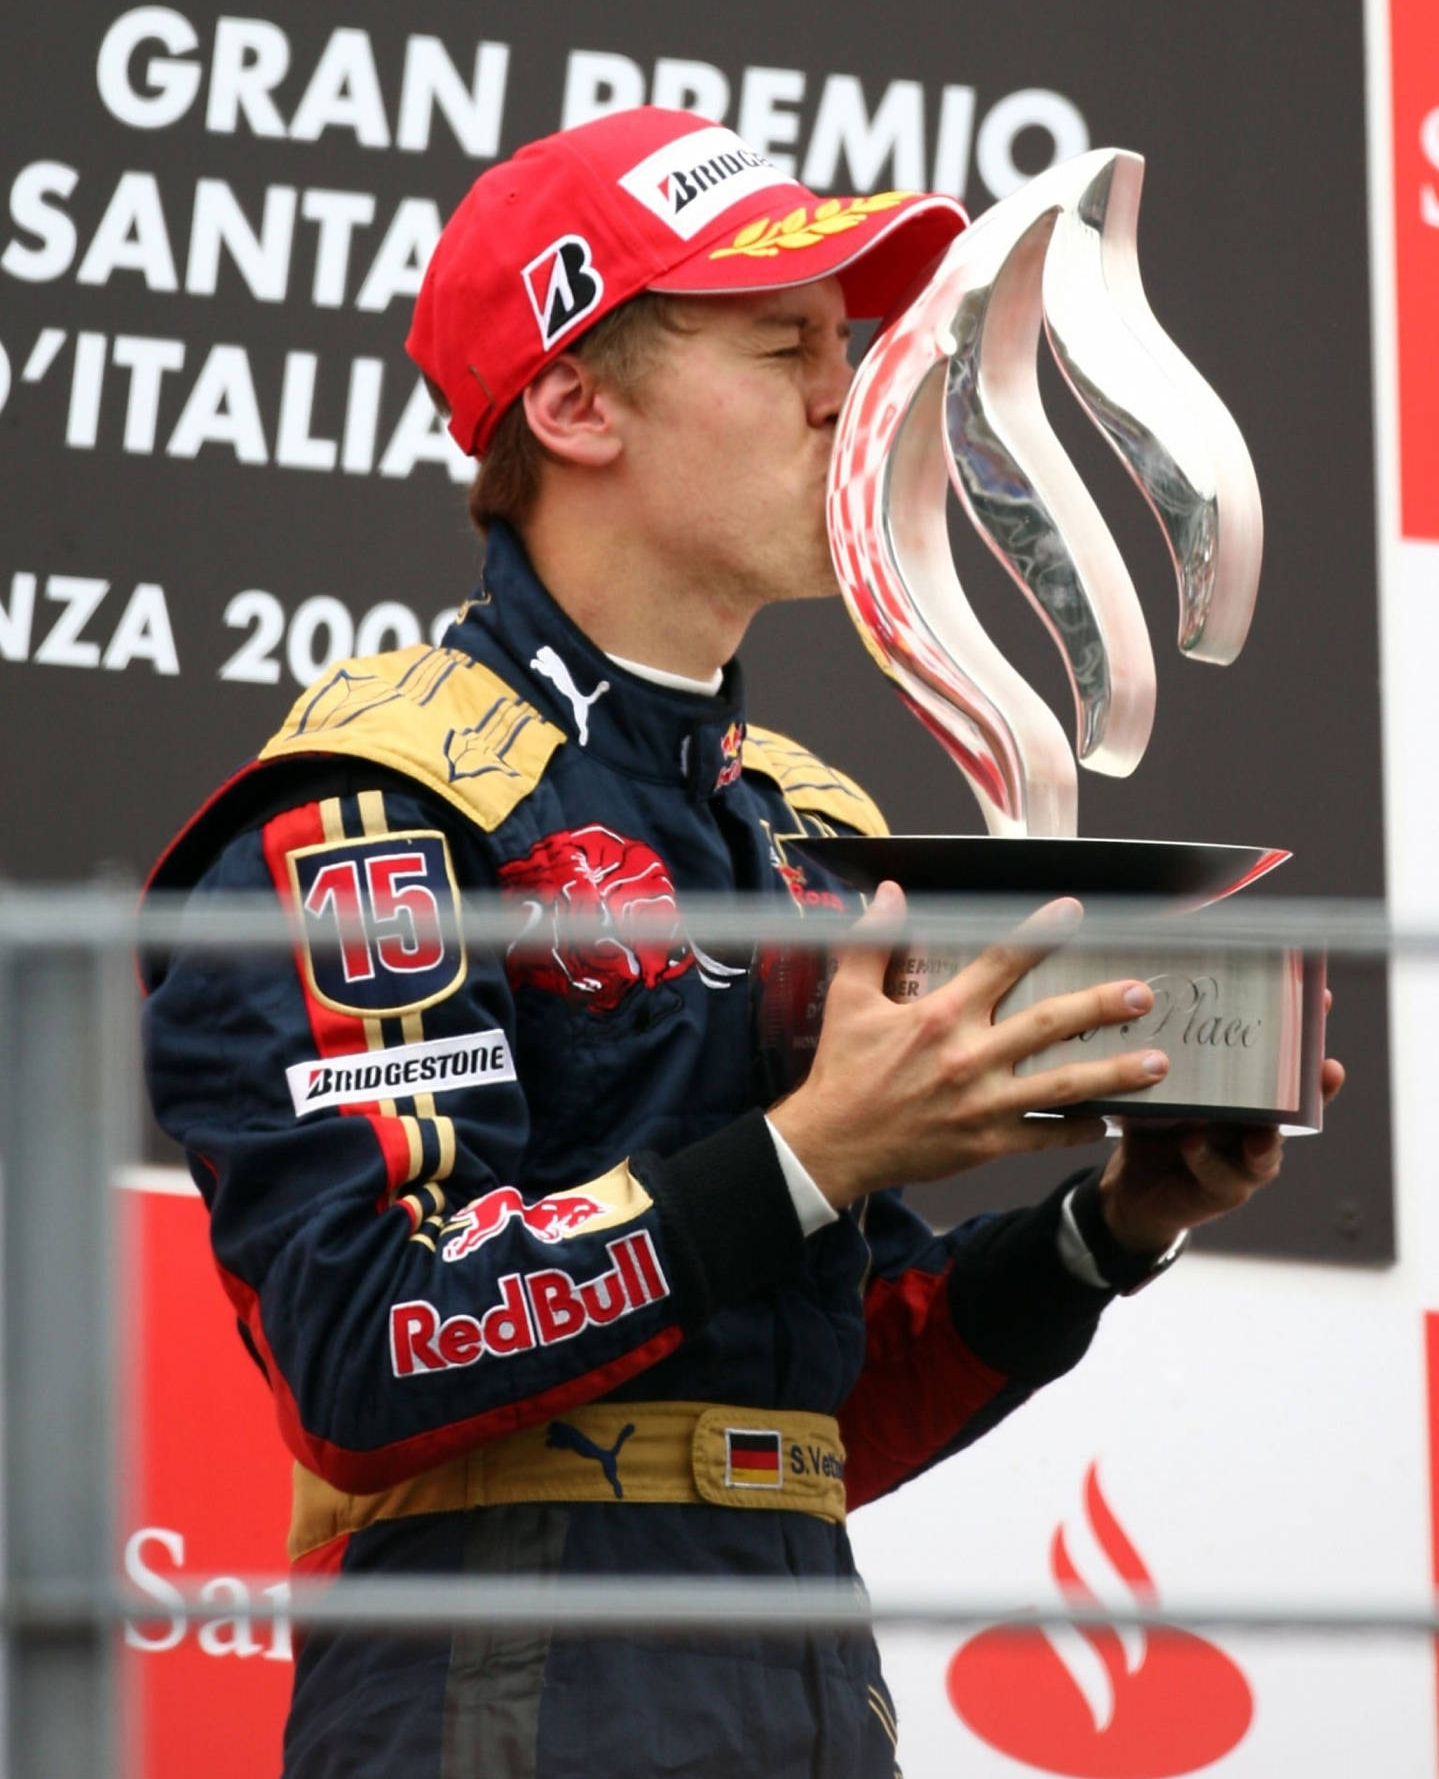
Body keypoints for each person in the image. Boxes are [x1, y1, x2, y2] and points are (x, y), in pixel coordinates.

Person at [142, 107, 1341, 1779]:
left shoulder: (796, 822)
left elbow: (819, 1404)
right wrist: (806, 1150)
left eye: (845, 345)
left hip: (802, 1674)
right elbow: (374, 1339)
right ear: (574, 402)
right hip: (505, 1685)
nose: (847, 391)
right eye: (784, 343)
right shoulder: (371, 806)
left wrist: (1107, 1224)